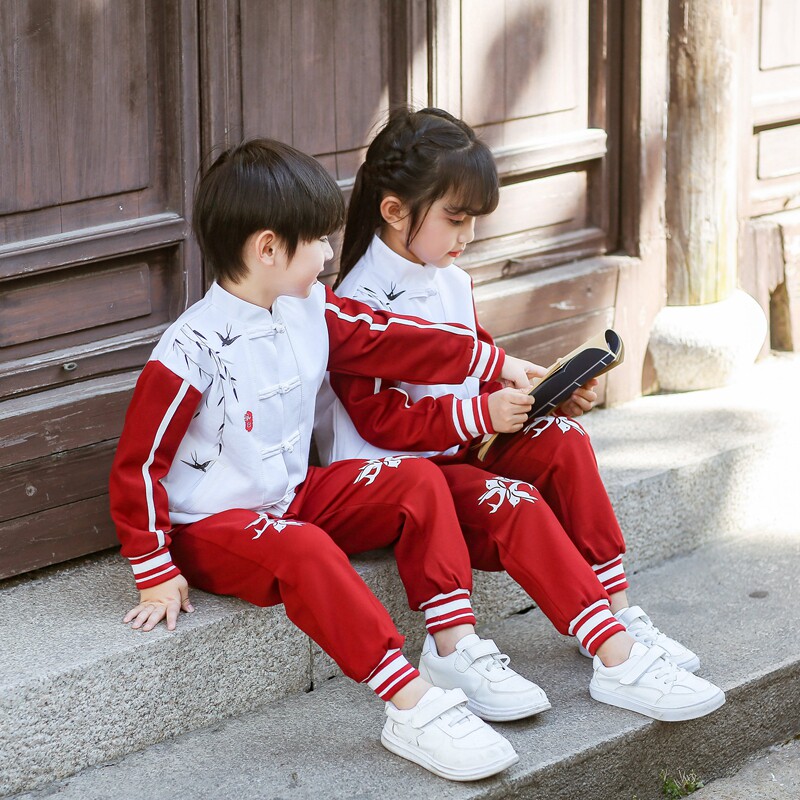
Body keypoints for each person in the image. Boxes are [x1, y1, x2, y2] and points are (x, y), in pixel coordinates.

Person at [108, 138, 562, 782]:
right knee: (306, 549)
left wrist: (494, 361)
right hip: (210, 526)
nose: (329, 254)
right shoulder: (189, 348)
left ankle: (452, 645)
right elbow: (138, 463)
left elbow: (393, 340)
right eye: (318, 240)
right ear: (268, 249)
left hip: (292, 497)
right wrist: (153, 566)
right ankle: (410, 704)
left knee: (415, 480)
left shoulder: (308, 308)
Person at [315, 107, 726, 722]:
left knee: (563, 436)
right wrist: (481, 413)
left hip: (458, 450)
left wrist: (542, 391)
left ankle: (616, 610)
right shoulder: (356, 302)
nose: (468, 234)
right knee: (516, 501)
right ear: (394, 210)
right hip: (402, 477)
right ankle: (614, 658)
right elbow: (379, 422)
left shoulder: (448, 277)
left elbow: (474, 363)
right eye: (456, 218)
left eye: (474, 219)